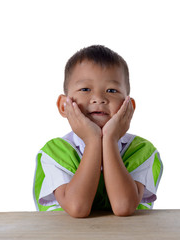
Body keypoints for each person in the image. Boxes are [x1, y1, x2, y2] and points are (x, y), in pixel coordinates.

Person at [33, 45, 163, 218]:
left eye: (111, 90)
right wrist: (93, 141)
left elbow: (123, 206)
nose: (99, 99)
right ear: (64, 105)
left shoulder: (142, 151)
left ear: (129, 107)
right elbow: (77, 208)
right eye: (85, 89)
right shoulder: (54, 152)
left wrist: (109, 140)